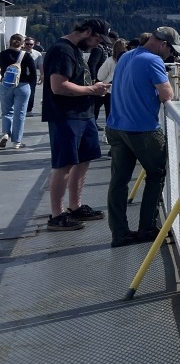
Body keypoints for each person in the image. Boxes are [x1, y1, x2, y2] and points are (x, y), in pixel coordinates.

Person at [106, 26, 180, 247]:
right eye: (171, 50)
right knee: (156, 173)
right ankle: (147, 227)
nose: (171, 55)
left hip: (116, 126)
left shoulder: (126, 56)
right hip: (142, 129)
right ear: (163, 44)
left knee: (119, 182)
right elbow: (166, 94)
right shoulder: (152, 60)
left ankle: (119, 233)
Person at [41, 18, 114, 231]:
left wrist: (92, 86)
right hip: (66, 115)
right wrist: (93, 90)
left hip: (83, 114)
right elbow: (58, 86)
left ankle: (75, 206)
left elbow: (74, 82)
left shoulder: (74, 50)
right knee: (64, 164)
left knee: (83, 160)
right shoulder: (62, 50)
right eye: (97, 39)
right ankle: (57, 214)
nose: (97, 45)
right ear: (87, 32)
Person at [1, 33, 37, 150]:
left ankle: (5, 133)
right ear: (22, 44)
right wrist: (28, 83)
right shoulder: (26, 55)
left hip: (6, 85)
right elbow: (32, 73)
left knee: (6, 112)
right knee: (20, 114)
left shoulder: (2, 54)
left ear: (9, 42)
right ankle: (17, 142)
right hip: (22, 86)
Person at [96, 38, 127, 136]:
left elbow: (100, 76)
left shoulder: (109, 61)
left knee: (109, 114)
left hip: (110, 90)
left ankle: (109, 135)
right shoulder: (128, 60)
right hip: (125, 91)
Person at [23, 36, 43, 116]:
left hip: (32, 75)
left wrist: (42, 75)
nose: (28, 46)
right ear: (24, 44)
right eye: (27, 44)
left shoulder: (38, 54)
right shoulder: (20, 52)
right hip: (22, 75)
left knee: (31, 93)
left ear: (34, 45)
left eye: (30, 44)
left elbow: (40, 65)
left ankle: (28, 110)